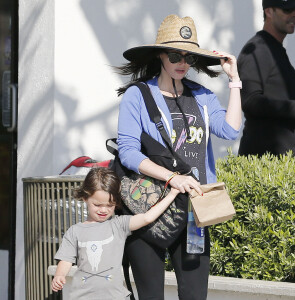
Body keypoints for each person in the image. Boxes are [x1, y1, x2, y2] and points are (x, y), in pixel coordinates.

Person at [116, 14, 242, 300]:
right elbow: (128, 152)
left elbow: (231, 130)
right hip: (147, 208)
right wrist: (173, 178)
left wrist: (234, 81)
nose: (182, 63)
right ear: (160, 55)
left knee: (195, 295)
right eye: (175, 55)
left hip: (194, 211)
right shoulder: (138, 95)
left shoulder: (202, 95)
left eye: (188, 57)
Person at [51, 167, 179, 299]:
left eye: (110, 205)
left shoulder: (119, 225)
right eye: (97, 205)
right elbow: (66, 259)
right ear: (85, 198)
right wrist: (59, 276)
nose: (104, 210)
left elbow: (147, 218)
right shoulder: (75, 231)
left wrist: (172, 194)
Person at [238, 0, 295, 161]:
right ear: (269, 12)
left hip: (284, 161)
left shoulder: (275, 49)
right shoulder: (257, 49)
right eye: (288, 10)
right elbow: (250, 101)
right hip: (264, 168)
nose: (294, 14)